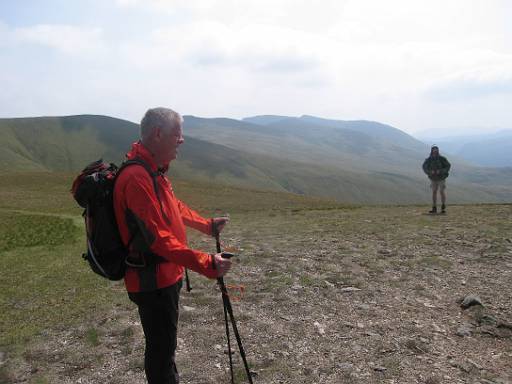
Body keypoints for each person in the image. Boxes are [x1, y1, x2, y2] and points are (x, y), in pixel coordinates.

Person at [113, 107, 231, 384]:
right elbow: (157, 239)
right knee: (161, 350)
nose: (182, 140)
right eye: (177, 134)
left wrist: (206, 224)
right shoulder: (136, 178)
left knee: (165, 346)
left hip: (166, 276)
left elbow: (172, 207)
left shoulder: (151, 170)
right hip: (153, 281)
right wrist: (207, 263)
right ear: (157, 134)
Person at [422, 145, 451, 214]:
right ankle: (434, 207)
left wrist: (440, 171)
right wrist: (429, 172)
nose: (435, 151)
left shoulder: (442, 158)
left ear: (438, 150)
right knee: (434, 192)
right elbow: (424, 167)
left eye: (436, 150)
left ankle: (443, 207)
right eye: (434, 150)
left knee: (441, 191)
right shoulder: (429, 159)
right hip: (433, 178)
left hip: (441, 178)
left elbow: (448, 166)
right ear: (431, 151)